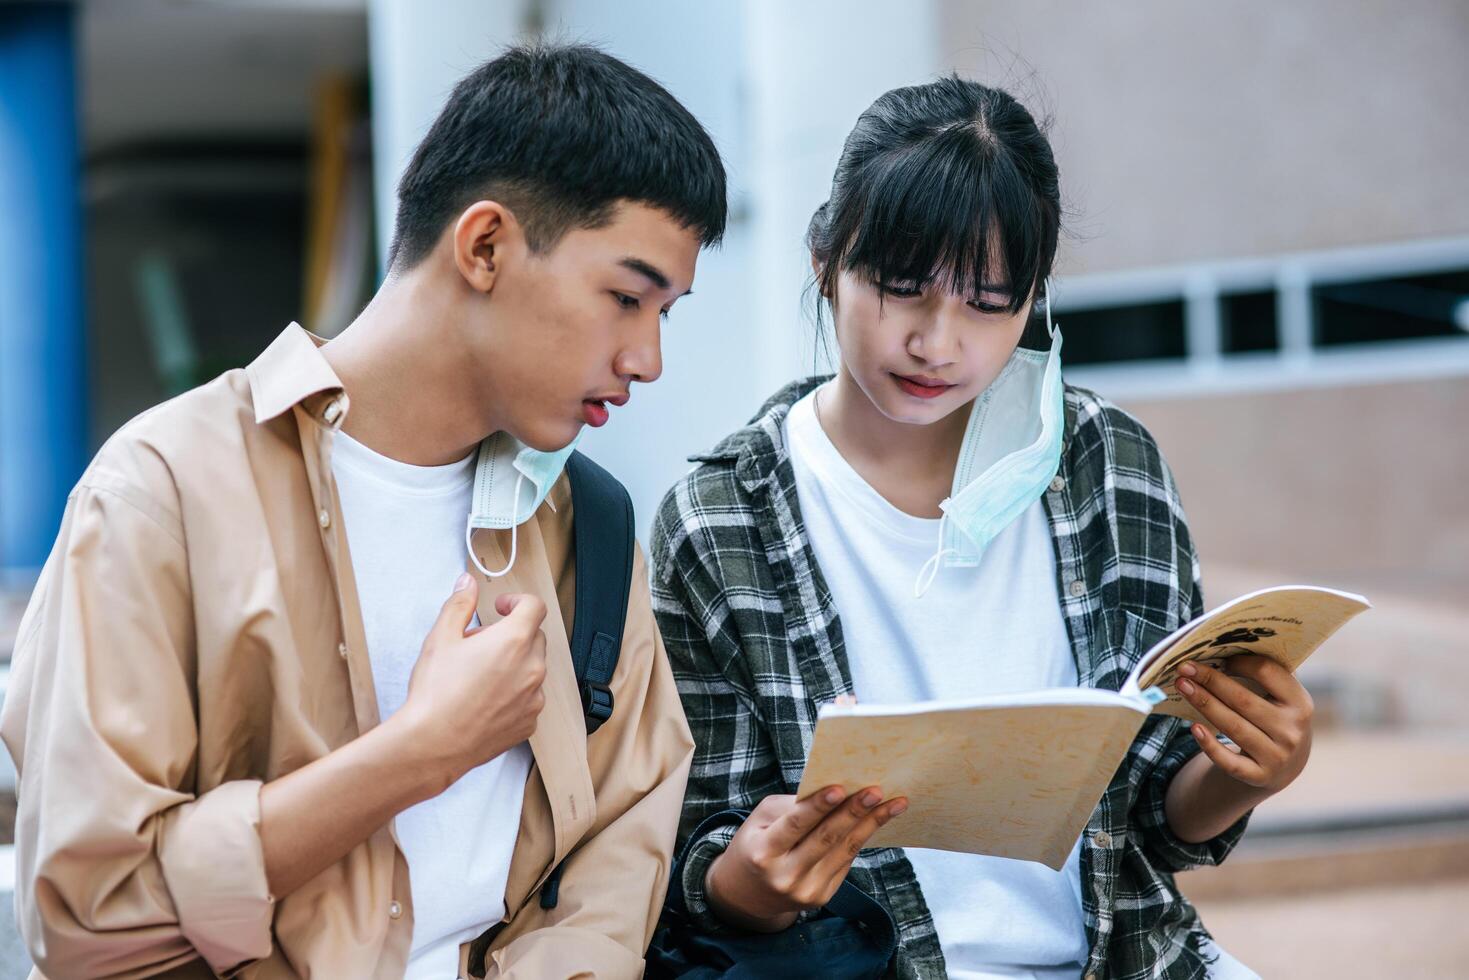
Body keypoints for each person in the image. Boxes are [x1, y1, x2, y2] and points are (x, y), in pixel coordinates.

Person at [2, 42, 725, 979]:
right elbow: (91, 917)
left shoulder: (588, 522)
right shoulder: (163, 489)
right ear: (485, 246)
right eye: (627, 298)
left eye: (666, 314)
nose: (646, 358)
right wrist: (422, 752)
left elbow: (617, 859)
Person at [650, 76, 1310, 979]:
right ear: (823, 261)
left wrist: (1245, 772)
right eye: (900, 289)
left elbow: (1157, 821)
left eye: (988, 303)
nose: (937, 342)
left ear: (1032, 297)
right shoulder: (720, 519)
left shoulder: (1106, 465)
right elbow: (696, 850)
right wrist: (751, 881)